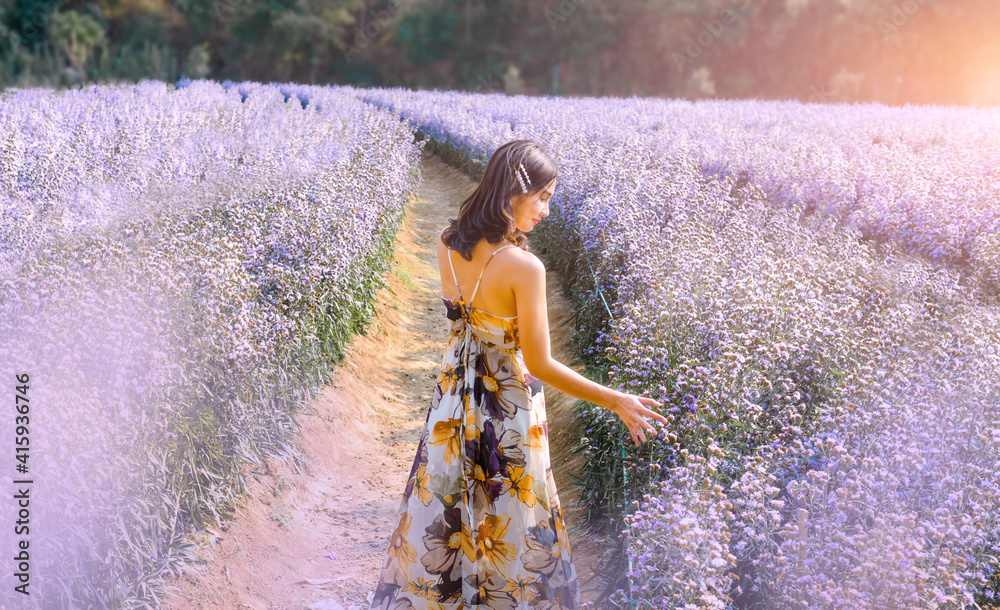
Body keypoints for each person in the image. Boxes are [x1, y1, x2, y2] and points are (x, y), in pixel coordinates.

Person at [369, 139, 668, 609]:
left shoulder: (448, 242)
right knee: (512, 521)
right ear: (513, 192)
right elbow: (542, 363)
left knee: (449, 505)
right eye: (542, 197)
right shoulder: (525, 268)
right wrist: (615, 399)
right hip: (505, 409)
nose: (547, 211)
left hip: (453, 400)